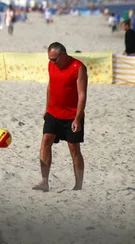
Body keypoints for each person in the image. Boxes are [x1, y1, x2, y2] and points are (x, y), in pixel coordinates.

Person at [33, 42, 88, 192]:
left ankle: (78, 185)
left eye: (54, 59)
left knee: (74, 149)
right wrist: (47, 108)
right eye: (50, 59)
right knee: (45, 142)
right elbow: (50, 86)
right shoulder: (52, 65)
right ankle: (44, 181)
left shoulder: (78, 67)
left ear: (63, 55)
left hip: (72, 115)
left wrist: (77, 118)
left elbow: (82, 95)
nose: (52, 62)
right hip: (53, 112)